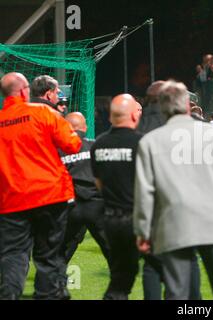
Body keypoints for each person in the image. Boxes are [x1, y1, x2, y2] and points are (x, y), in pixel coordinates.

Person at [133, 80, 213, 300]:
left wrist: (143, 230)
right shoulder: (212, 134)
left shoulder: (150, 141)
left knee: (177, 291)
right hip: (211, 219)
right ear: (188, 105)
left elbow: (145, 192)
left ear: (162, 107)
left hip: (173, 222)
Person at [0, 72, 82, 300]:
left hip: (11, 200)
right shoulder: (44, 113)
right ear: (25, 91)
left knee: (13, 256)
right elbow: (73, 144)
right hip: (49, 196)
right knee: (48, 256)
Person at [90, 94, 144, 300]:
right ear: (133, 116)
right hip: (139, 219)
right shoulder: (142, 143)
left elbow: (99, 184)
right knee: (170, 271)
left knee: (120, 277)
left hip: (111, 220)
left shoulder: (99, 144)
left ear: (111, 117)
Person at [58, 112, 112, 300]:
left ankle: (56, 290)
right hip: (96, 205)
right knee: (111, 251)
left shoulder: (58, 148)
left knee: (62, 250)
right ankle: (117, 292)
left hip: (70, 205)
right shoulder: (94, 145)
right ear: (85, 127)